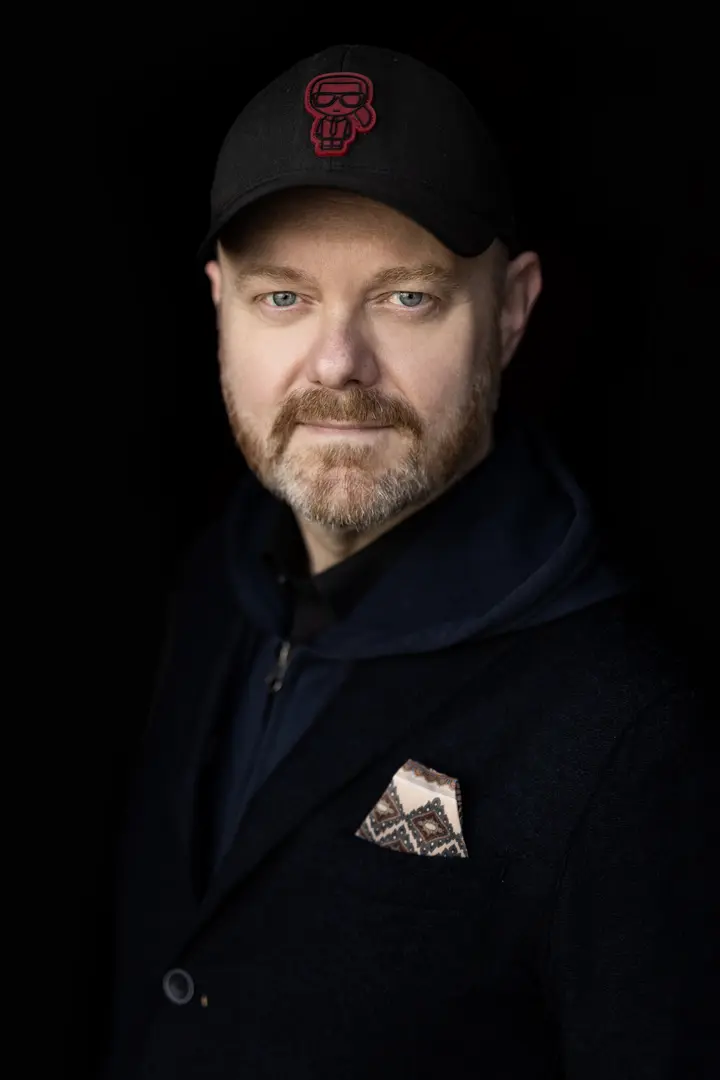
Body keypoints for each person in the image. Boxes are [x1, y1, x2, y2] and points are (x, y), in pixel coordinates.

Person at [102, 43, 717, 1079]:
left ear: (511, 312)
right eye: (283, 298)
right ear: (218, 305)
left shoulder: (624, 731)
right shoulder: (214, 585)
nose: (338, 364)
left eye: (406, 297)